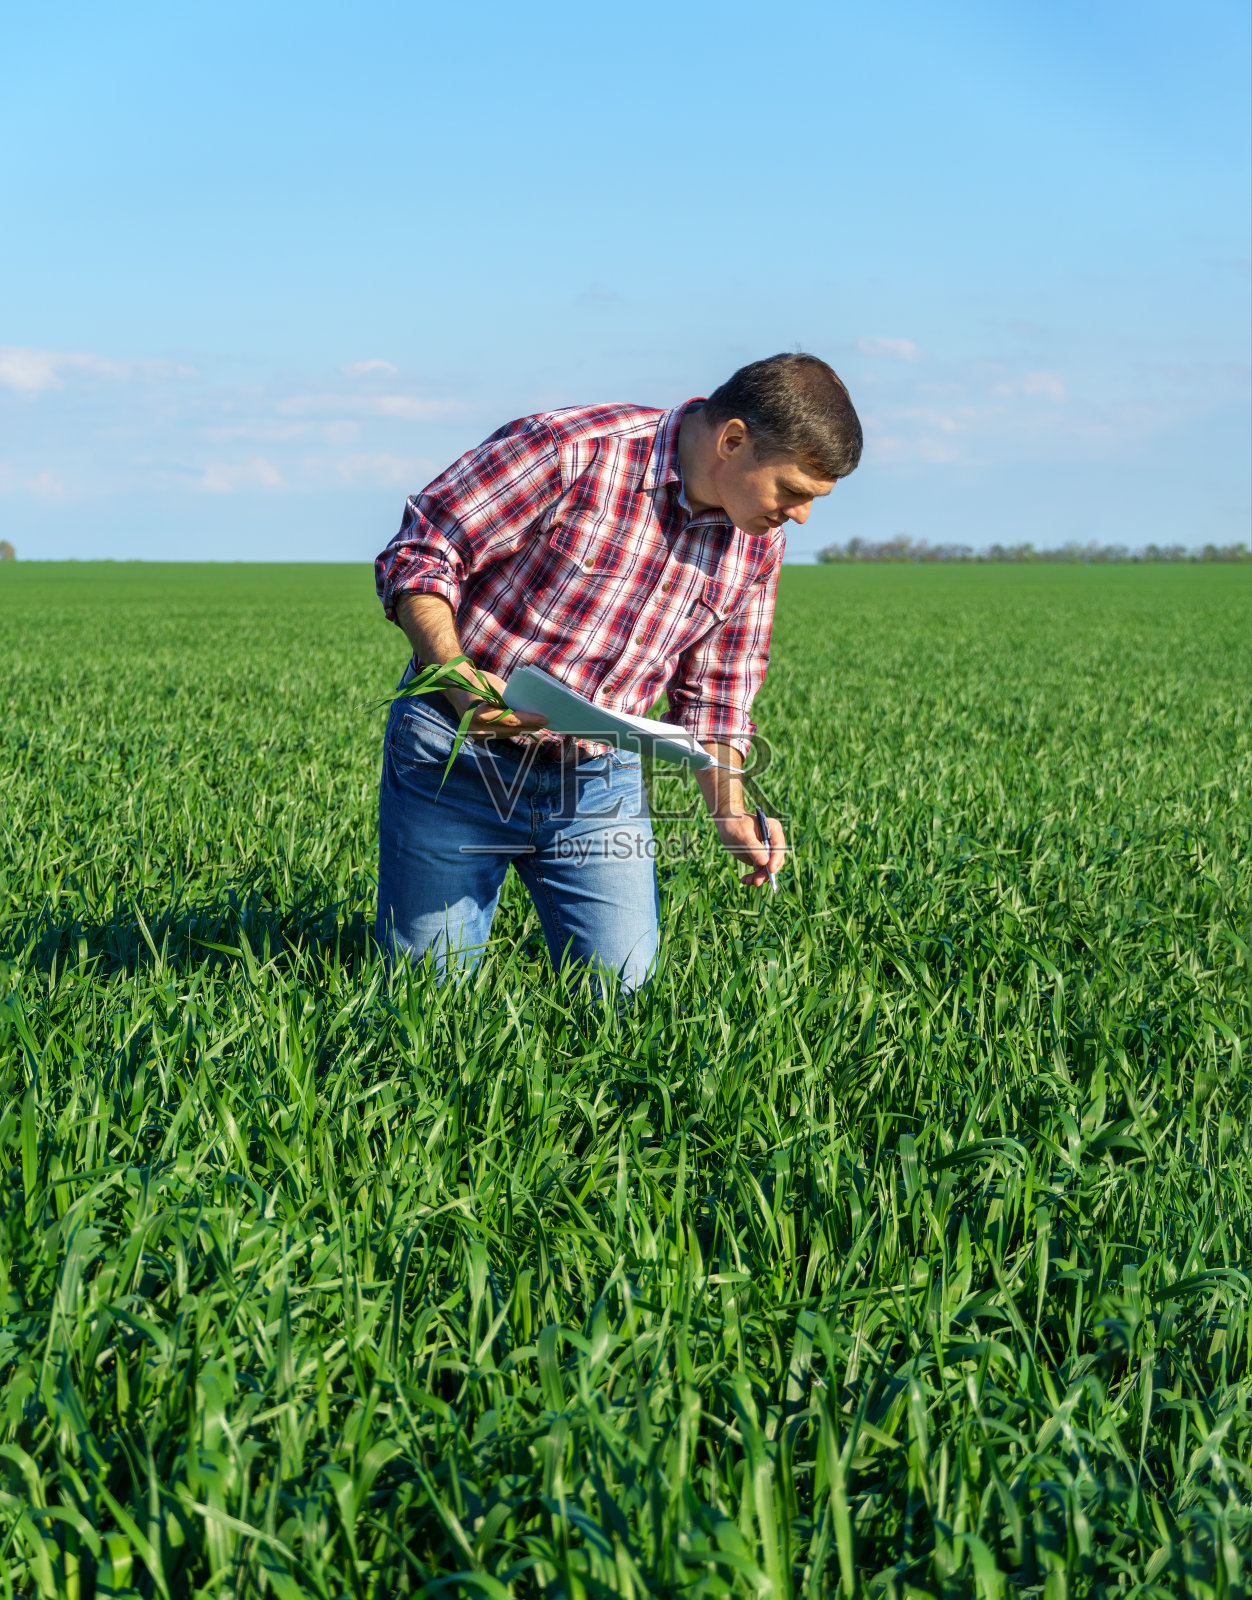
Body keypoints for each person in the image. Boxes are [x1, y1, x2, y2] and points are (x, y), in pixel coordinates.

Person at [374, 351, 862, 990]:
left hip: (597, 780)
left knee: (622, 994)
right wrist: (461, 681)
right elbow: (422, 552)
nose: (798, 515)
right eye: (793, 491)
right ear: (734, 440)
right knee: (425, 995)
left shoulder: (759, 542)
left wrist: (730, 811)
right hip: (455, 755)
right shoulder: (569, 451)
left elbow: (719, 691)